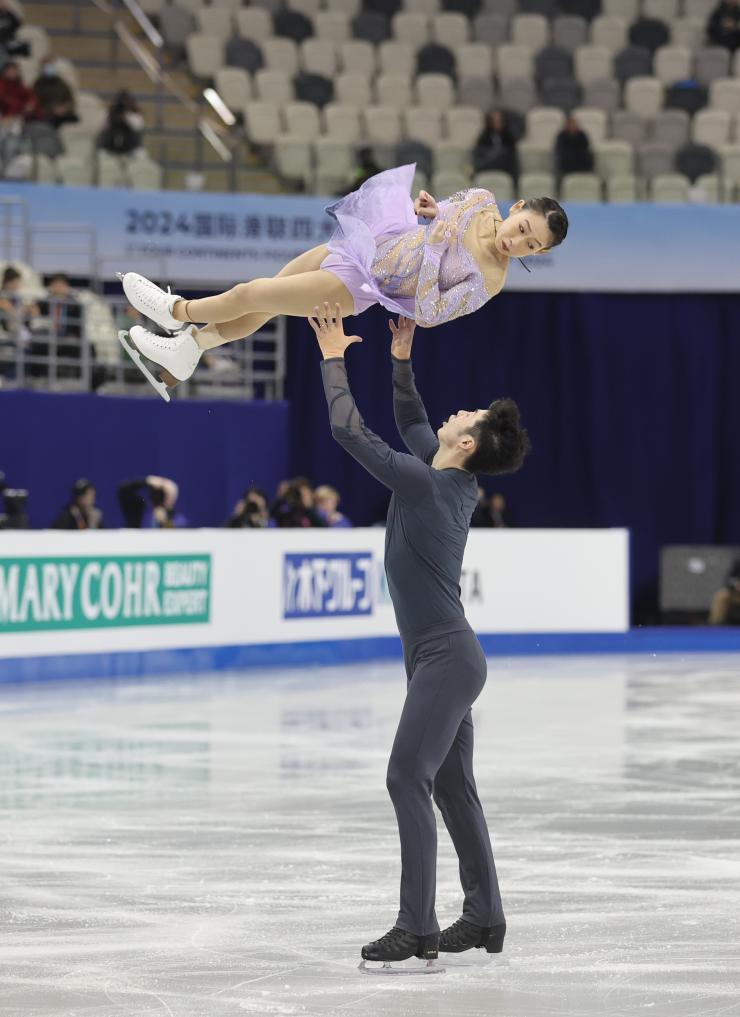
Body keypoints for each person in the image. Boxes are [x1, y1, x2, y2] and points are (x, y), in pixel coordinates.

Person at [308, 303, 531, 971]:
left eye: (466, 416)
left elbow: (350, 431)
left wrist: (332, 359)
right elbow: (411, 424)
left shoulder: (428, 486)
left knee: (408, 776)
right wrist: (401, 360)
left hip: (445, 659)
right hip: (448, 658)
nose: (455, 412)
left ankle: (417, 925)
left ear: (466, 445)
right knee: (452, 787)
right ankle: (485, 914)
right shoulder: (447, 481)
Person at [117, 163, 568, 398]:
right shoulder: (482, 199)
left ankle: (175, 312)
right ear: (518, 207)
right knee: (264, 304)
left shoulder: (490, 281)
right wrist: (433, 211)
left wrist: (434, 249)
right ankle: (188, 351)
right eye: (522, 228)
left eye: (531, 246)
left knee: (251, 293)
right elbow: (444, 215)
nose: (517, 242)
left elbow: (431, 314)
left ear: (540, 253)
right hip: (371, 244)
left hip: (363, 287)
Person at [117, 475, 188, 528]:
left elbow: (177, 537)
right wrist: (148, 481)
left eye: (164, 494)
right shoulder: (138, 509)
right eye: (157, 493)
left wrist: (165, 522)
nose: (159, 496)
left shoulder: (178, 519)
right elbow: (123, 491)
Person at [32, 57, 77, 127]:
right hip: (48, 114)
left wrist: (65, 108)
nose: (50, 69)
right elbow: (35, 103)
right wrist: (53, 110)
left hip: (63, 112)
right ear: (42, 68)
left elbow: (70, 99)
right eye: (47, 67)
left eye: (51, 66)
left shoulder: (61, 83)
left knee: (74, 119)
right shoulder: (38, 84)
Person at [472, 109, 519, 179]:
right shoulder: (483, 139)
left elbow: (512, 162)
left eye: (499, 121)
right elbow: (479, 160)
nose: (497, 124)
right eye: (495, 121)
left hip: (504, 171)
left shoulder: (509, 139)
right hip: (487, 170)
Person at [97, 90, 144, 156]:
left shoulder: (134, 115)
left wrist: (126, 116)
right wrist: (113, 114)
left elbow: (138, 126)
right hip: (110, 150)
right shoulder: (109, 114)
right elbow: (101, 127)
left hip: (131, 151)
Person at [554, 115, 594, 179]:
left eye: (573, 124)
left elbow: (585, 147)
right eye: (570, 124)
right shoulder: (562, 135)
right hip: (567, 161)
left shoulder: (582, 135)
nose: (572, 126)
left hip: (580, 160)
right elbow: (560, 148)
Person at [708, 559, 740, 625]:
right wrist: (736, 584)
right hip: (736, 594)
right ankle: (715, 624)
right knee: (722, 595)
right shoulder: (738, 562)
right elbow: (729, 580)